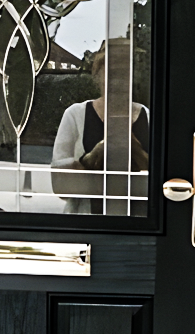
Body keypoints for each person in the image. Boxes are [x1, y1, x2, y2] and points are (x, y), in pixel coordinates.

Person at [52, 38, 148, 211]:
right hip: (89, 226)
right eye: (110, 72)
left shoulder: (147, 117)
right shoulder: (75, 115)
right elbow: (59, 185)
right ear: (98, 74)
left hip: (139, 226)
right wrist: (91, 157)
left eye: (123, 72)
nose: (116, 80)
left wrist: (134, 148)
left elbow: (162, 180)